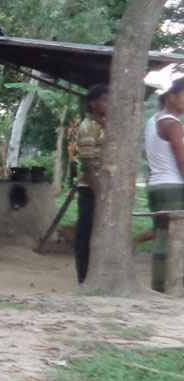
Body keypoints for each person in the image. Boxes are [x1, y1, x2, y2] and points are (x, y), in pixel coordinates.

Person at [74, 84, 108, 284]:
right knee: (86, 232)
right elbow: (87, 163)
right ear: (93, 104)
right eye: (105, 100)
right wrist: (98, 189)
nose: (109, 105)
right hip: (91, 188)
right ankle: (83, 276)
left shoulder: (104, 124)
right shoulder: (88, 127)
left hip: (103, 187)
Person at [145, 78, 184, 220]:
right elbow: (182, 162)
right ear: (171, 97)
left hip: (157, 187)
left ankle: (132, 242)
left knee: (163, 235)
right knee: (175, 237)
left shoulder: (153, 120)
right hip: (172, 187)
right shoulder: (172, 124)